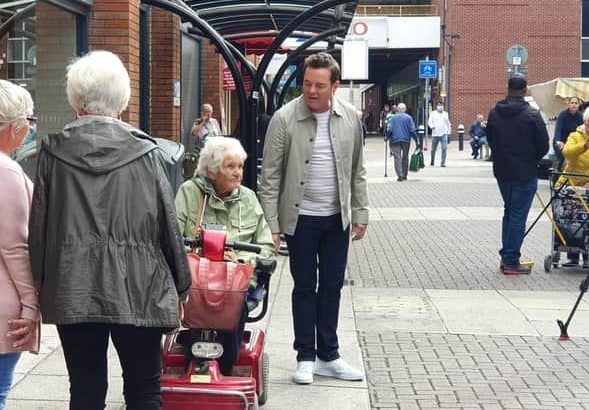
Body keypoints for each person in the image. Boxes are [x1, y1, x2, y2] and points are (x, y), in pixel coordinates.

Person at [28, 51, 191, 410]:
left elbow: (39, 226)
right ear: (123, 99)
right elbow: (168, 224)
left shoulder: (52, 154)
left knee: (85, 391)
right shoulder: (148, 153)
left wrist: (39, 283)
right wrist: (182, 285)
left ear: (76, 101)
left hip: (74, 283)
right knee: (144, 390)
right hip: (141, 285)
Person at [260, 52, 368, 385]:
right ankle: (305, 356)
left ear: (335, 86)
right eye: (307, 84)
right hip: (300, 219)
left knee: (332, 287)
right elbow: (270, 178)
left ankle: (329, 356)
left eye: (320, 86)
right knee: (305, 287)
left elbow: (357, 170)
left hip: (337, 219)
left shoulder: (350, 117)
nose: (311, 91)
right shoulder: (284, 118)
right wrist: (272, 226)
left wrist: (361, 212)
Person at [174, 136, 275, 375]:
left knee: (233, 302)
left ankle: (226, 366)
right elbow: (173, 236)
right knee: (197, 298)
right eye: (230, 166)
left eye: (240, 166)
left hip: (236, 282)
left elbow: (266, 245)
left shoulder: (248, 198)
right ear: (211, 170)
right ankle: (194, 363)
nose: (238, 173)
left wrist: (241, 262)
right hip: (197, 280)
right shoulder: (190, 193)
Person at [0, 80, 40, 410]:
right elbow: (14, 247)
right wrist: (31, 305)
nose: (30, 126)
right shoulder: (7, 172)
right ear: (13, 125)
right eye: (29, 118)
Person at [486, 76, 549, 275]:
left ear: (508, 88)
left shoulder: (494, 112)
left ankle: (507, 255)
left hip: (503, 171)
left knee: (509, 211)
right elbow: (543, 145)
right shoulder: (532, 114)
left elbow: (491, 140)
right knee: (517, 216)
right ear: (525, 90)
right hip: (525, 171)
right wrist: (531, 159)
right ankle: (511, 260)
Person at [556, 105, 589, 266]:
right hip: (570, 182)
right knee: (566, 218)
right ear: (585, 121)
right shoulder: (575, 135)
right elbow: (567, 152)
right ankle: (571, 254)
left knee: (586, 221)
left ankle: (587, 254)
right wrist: (584, 146)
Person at [386, 103, 419, 181]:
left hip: (395, 140)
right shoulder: (409, 118)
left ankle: (399, 174)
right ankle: (404, 174)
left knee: (397, 157)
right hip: (406, 140)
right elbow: (412, 130)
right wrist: (416, 140)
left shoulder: (393, 118)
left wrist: (387, 137)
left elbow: (390, 130)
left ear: (397, 109)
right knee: (405, 157)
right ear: (405, 109)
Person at [553, 97, 583, 170]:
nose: (574, 105)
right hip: (561, 142)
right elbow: (558, 129)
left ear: (579, 105)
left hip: (573, 144)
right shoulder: (562, 115)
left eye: (576, 103)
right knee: (563, 160)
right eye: (572, 103)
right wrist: (558, 141)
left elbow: (582, 131)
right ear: (568, 104)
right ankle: (556, 178)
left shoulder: (581, 116)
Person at [428, 102, 451, 167]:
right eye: (439, 105)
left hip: (444, 133)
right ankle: (432, 160)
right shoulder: (432, 113)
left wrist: (448, 132)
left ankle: (442, 163)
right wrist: (432, 126)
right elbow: (429, 121)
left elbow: (448, 123)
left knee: (444, 148)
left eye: (441, 105)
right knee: (433, 149)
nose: (440, 106)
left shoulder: (446, 114)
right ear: (437, 106)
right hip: (435, 134)